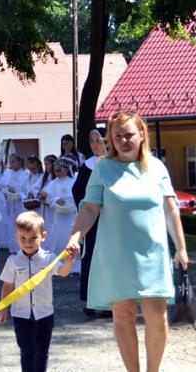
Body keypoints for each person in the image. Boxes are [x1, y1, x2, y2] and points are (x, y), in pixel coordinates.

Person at [65, 111, 189, 372]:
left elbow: (170, 208)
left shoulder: (157, 167)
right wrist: (76, 236)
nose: (123, 140)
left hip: (153, 253)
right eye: (117, 136)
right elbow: (89, 208)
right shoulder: (102, 169)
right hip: (116, 254)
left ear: (142, 134)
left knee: (157, 316)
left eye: (129, 134)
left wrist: (181, 247)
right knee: (123, 315)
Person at [0, 211, 73, 372]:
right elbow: (7, 286)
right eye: (23, 238)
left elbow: (63, 272)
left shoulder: (49, 258)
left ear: (43, 236)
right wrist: (3, 309)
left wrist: (69, 261)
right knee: (27, 351)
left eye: (33, 238)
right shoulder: (13, 260)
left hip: (44, 314)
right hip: (21, 315)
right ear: (16, 237)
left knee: (42, 352)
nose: (28, 243)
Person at [72, 128, 108, 317]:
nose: (95, 144)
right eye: (92, 140)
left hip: (110, 220)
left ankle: (110, 302)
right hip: (92, 221)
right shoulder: (87, 166)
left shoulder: (114, 164)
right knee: (92, 258)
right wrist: (86, 206)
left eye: (99, 140)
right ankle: (91, 300)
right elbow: (77, 191)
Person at [39, 156, 79, 272]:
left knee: (71, 237)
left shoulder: (74, 182)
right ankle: (59, 265)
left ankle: (74, 266)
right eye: (55, 170)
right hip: (59, 215)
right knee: (58, 239)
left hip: (72, 215)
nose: (57, 172)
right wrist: (56, 199)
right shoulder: (53, 183)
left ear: (66, 169)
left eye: (59, 169)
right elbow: (43, 195)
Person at [0, 153, 28, 253]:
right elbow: (2, 186)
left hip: (20, 202)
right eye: (10, 162)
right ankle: (13, 247)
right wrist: (7, 191)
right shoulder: (8, 173)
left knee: (21, 222)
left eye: (14, 161)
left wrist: (19, 194)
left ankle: (23, 246)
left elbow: (27, 189)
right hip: (11, 202)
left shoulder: (25, 173)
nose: (12, 164)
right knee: (11, 223)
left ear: (20, 162)